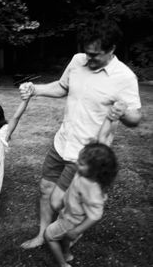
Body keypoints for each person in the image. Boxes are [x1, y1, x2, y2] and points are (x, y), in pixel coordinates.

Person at [19, 19, 141, 249]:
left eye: (95, 55)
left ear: (112, 49)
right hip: (62, 140)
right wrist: (35, 89)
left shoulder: (124, 77)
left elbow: (135, 119)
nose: (89, 59)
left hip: (86, 153)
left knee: (65, 201)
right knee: (45, 189)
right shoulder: (78, 61)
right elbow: (62, 87)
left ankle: (72, 230)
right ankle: (42, 234)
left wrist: (123, 112)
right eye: (87, 53)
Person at [44, 142, 118, 267]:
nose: (77, 163)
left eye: (82, 163)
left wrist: (77, 230)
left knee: (49, 236)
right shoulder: (83, 174)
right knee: (66, 238)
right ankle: (67, 254)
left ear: (95, 170)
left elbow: (96, 215)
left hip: (71, 221)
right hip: (68, 214)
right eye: (78, 159)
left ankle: (63, 264)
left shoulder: (91, 186)